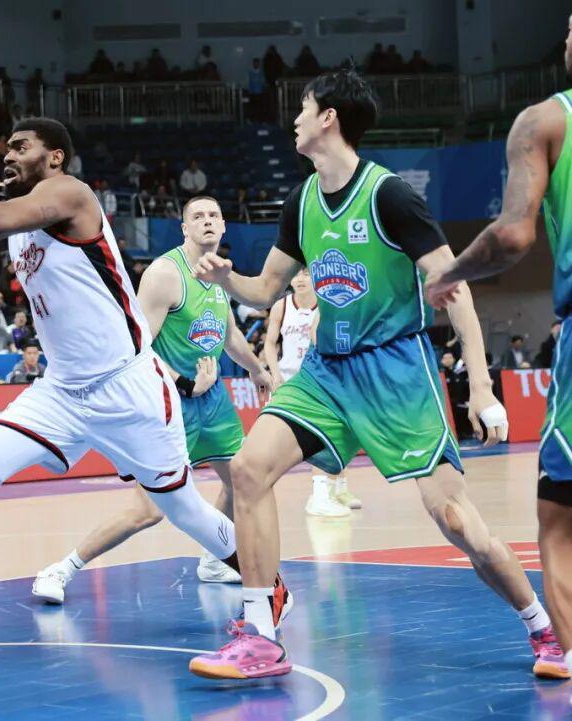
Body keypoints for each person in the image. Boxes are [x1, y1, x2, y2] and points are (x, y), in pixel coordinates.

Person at [188, 69, 561, 681]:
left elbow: (456, 288)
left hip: (396, 372)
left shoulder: (390, 196)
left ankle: (542, 627)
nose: (295, 120)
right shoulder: (301, 201)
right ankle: (260, 634)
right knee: (250, 468)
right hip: (327, 372)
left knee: (455, 520)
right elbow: (264, 289)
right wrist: (228, 278)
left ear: (329, 117)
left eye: (304, 108)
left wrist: (481, 386)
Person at [0, 115, 243, 659]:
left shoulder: (71, 195)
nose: (8, 156)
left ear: (55, 157)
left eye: (21, 147)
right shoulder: (17, 224)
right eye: (6, 149)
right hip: (62, 391)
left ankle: (265, 584)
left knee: (183, 511)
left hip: (127, 385)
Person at [423, 19, 572, 680]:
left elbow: (513, 236)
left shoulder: (545, 120)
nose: (564, 38)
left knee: (560, 518)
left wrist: (450, 274)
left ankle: (567, 650)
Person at [32, 196, 274, 603]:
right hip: (168, 402)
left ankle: (215, 561)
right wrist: (185, 383)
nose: (207, 220)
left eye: (214, 215)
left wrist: (255, 368)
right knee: (149, 510)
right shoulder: (165, 273)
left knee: (243, 478)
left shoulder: (220, 275)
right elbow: (137, 345)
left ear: (223, 226)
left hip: (213, 401)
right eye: (198, 216)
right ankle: (61, 569)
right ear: (184, 228)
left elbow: (229, 334)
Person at [264, 268, 360, 517]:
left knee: (336, 434)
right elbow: (270, 343)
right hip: (289, 381)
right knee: (277, 445)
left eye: (305, 274)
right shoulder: (282, 306)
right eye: (295, 274)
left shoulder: (327, 304)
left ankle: (337, 489)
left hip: (320, 379)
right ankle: (317, 493)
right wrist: (274, 374)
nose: (299, 279)